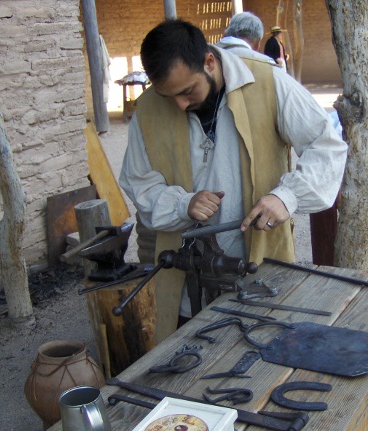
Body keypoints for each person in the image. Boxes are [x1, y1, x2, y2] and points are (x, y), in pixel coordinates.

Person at [119, 20, 348, 343]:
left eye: (187, 92)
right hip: (187, 275)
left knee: (264, 347)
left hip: (261, 260)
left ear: (209, 62)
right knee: (190, 353)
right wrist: (184, 203)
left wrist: (287, 197)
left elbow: (326, 146)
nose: (180, 105)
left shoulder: (268, 82)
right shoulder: (149, 109)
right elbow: (140, 184)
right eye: (169, 96)